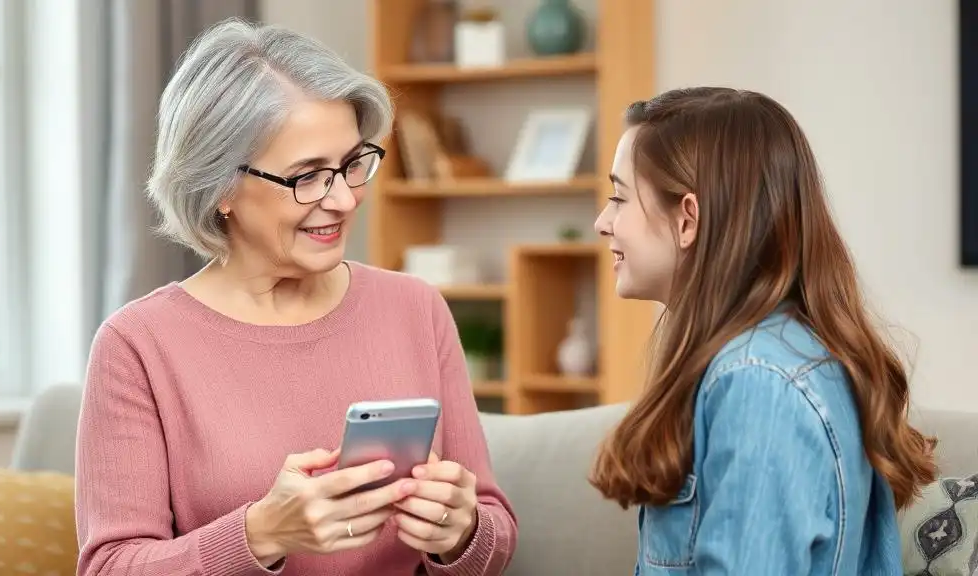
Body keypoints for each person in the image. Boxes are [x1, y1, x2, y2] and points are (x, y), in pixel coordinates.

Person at [75, 19, 516, 576]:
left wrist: (462, 531)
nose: (344, 200)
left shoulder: (416, 308)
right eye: (307, 176)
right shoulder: (138, 344)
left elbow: (495, 529)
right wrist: (259, 534)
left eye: (353, 165)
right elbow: (109, 567)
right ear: (220, 186)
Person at [589, 88, 937, 575]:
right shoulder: (776, 358)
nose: (603, 222)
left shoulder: (758, 384)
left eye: (619, 198)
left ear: (688, 219)